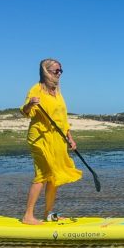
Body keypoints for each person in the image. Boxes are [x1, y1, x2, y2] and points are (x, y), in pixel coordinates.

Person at [20, 58, 82, 225]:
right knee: (43, 174)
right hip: (39, 138)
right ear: (46, 71)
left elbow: (62, 118)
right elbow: (25, 111)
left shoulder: (58, 92)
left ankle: (47, 213)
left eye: (61, 71)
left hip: (57, 138)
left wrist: (70, 138)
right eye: (56, 71)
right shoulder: (36, 89)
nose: (59, 73)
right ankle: (28, 216)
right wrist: (30, 104)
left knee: (54, 177)